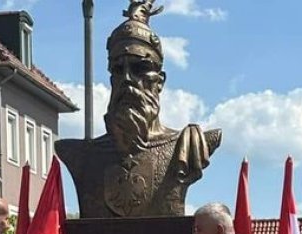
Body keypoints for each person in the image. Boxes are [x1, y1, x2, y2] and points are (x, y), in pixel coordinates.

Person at [55, 0, 221, 218]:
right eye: (117, 69)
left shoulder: (187, 148)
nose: (127, 78)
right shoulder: (82, 155)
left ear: (159, 82)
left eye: (139, 68)